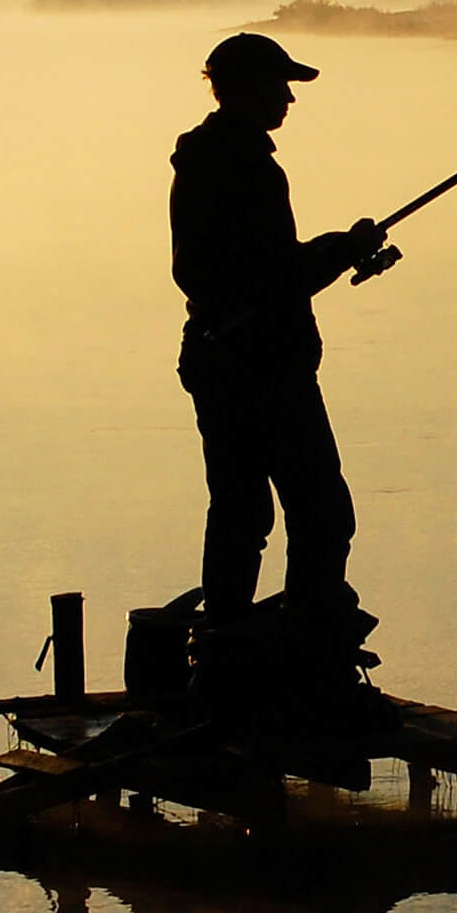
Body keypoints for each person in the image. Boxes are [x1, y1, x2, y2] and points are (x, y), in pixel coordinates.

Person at [169, 33, 386, 670]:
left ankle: (226, 652)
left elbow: (243, 272)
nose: (289, 97)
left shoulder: (206, 158)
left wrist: (336, 248)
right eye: (280, 85)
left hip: (215, 359)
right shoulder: (246, 166)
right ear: (246, 88)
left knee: (240, 511)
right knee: (322, 512)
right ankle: (313, 659)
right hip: (263, 367)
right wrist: (341, 250)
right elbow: (269, 277)